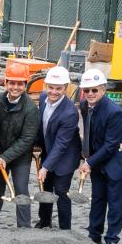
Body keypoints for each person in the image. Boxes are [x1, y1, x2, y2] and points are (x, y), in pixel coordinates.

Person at [79, 69, 122, 244]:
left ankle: (112, 239)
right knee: (97, 199)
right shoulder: (84, 105)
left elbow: (112, 145)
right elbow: (89, 133)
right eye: (86, 90)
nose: (90, 94)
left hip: (118, 160)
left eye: (94, 90)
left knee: (114, 201)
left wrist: (89, 162)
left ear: (103, 90)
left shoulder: (115, 113)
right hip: (99, 158)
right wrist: (87, 156)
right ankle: (94, 235)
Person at [0, 62, 39, 228]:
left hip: (21, 158)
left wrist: (6, 157)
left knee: (21, 190)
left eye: (19, 84)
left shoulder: (30, 108)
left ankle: (24, 227)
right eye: (12, 83)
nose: (15, 87)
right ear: (6, 83)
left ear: (25, 85)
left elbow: (27, 139)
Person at [35, 66, 82, 230]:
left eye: (58, 88)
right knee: (45, 189)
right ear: (45, 85)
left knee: (61, 192)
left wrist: (46, 167)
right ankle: (44, 221)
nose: (53, 92)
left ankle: (65, 229)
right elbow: (42, 128)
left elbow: (62, 144)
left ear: (66, 88)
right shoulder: (42, 99)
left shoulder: (70, 113)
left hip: (65, 157)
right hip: (49, 151)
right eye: (51, 87)